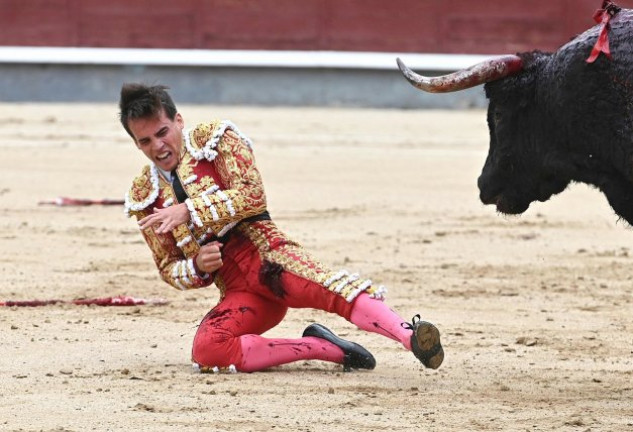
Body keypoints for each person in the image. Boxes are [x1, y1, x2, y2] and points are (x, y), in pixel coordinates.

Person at [120, 83, 444, 373]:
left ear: (178, 121)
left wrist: (189, 211)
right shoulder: (144, 195)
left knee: (332, 288)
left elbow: (252, 195)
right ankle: (325, 349)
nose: (157, 146)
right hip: (239, 291)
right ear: (136, 144)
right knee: (208, 350)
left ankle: (410, 336)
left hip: (270, 258)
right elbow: (167, 266)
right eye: (145, 140)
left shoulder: (215, 140)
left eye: (162, 132)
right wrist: (196, 265)